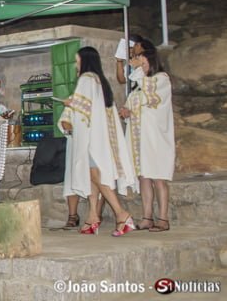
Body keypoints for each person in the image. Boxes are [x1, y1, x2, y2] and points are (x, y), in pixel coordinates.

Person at [59, 47, 138, 236]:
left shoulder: (86, 79)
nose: (75, 64)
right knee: (91, 176)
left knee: (96, 176)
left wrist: (70, 103)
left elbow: (84, 107)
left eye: (77, 60)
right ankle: (93, 216)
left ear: (84, 60)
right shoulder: (99, 80)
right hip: (98, 137)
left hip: (90, 138)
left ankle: (122, 214)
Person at [119, 43, 174, 232]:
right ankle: (147, 217)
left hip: (155, 138)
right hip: (139, 139)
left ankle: (163, 218)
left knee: (158, 178)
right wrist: (125, 111)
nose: (140, 67)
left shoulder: (161, 79)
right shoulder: (138, 88)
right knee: (144, 177)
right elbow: (132, 105)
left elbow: (153, 99)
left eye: (142, 64)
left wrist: (138, 71)